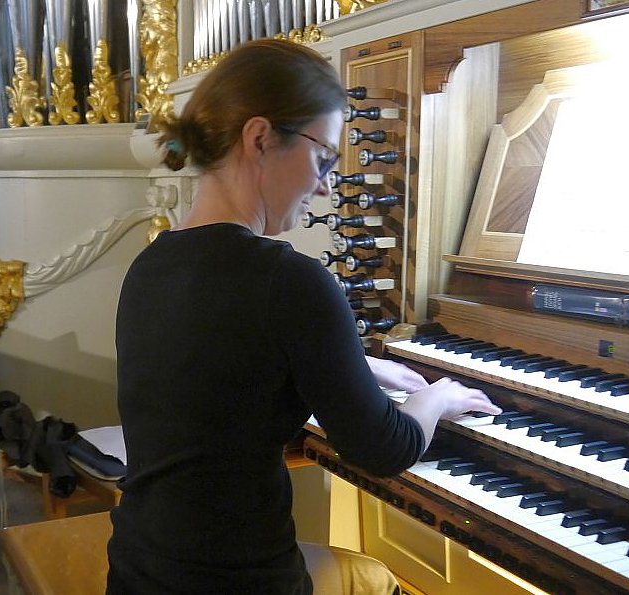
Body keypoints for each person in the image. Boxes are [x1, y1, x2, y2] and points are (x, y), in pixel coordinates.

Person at [107, 39, 501, 595]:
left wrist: (356, 364)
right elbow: (384, 448)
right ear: (260, 139)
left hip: (140, 571)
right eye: (323, 159)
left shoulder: (150, 265)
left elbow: (225, 371)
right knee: (379, 580)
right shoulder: (289, 280)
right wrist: (439, 396)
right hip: (238, 584)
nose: (325, 186)